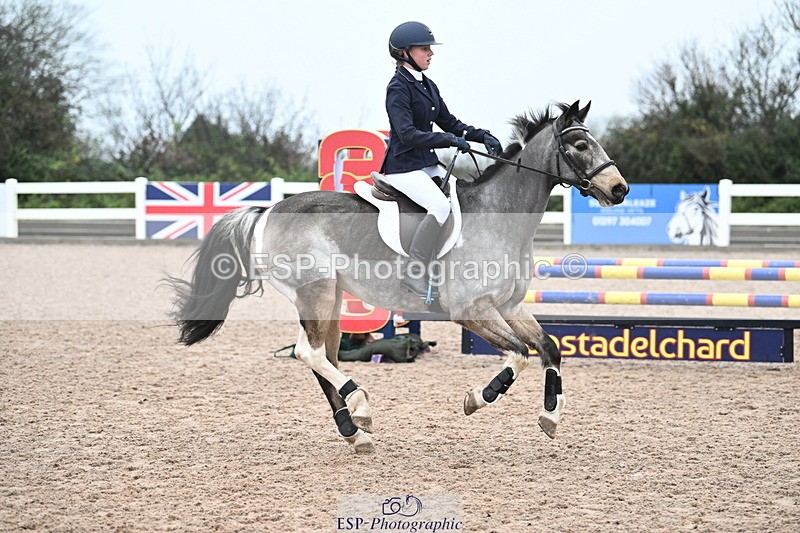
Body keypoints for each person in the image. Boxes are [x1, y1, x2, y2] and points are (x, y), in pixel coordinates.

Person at [379, 21, 503, 298]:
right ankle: (415, 272)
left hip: (426, 162)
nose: (430, 54)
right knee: (439, 206)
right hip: (404, 166)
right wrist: (448, 140)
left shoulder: (428, 85)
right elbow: (408, 134)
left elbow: (449, 122)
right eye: (424, 49)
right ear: (404, 53)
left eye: (429, 49)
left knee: (463, 198)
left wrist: (481, 136)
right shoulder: (398, 88)